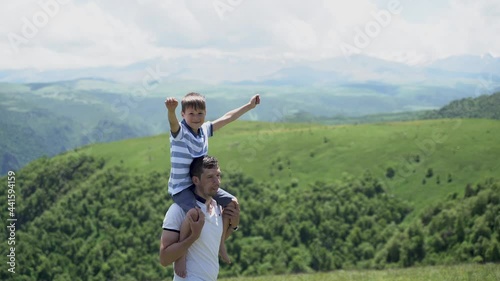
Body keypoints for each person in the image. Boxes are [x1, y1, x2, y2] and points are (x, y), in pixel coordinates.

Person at [164, 92, 259, 277]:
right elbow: (173, 124)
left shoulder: (205, 130)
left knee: (232, 203)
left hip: (200, 183)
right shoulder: (180, 133)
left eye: (200, 114)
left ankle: (221, 243)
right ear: (183, 114)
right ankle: (180, 258)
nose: (196, 118)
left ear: (205, 114)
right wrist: (171, 110)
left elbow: (228, 117)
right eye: (191, 114)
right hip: (181, 187)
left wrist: (249, 106)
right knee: (194, 213)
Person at [159, 155, 240, 281]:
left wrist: (233, 226)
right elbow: (164, 259)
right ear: (196, 180)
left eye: (218, 175)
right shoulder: (178, 210)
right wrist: (192, 237)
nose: (217, 182)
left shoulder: (218, 208)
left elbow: (211, 243)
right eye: (210, 177)